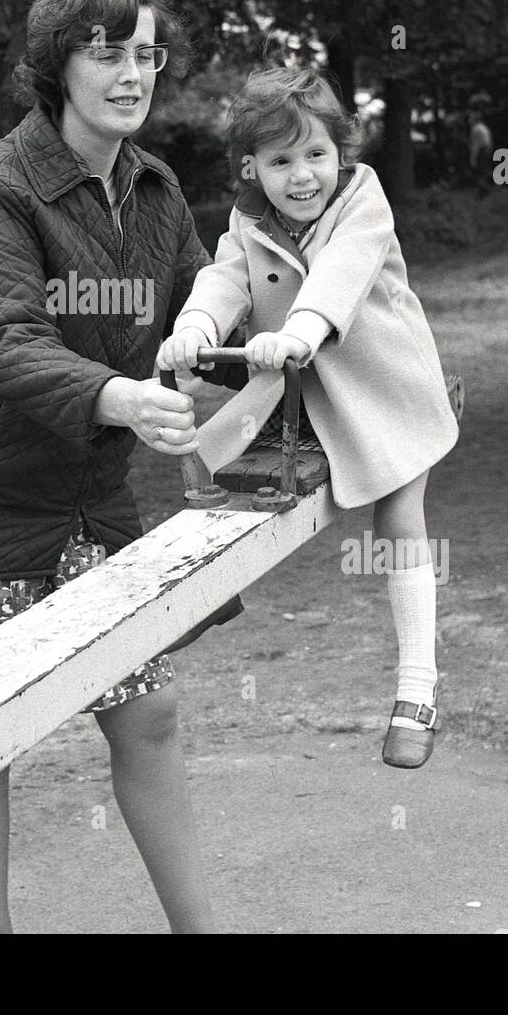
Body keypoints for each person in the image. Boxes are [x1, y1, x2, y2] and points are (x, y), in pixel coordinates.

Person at [0, 0, 219, 933]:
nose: (130, 73)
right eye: (105, 52)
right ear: (55, 66)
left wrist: (280, 331)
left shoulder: (154, 188)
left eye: (144, 53)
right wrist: (124, 398)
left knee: (146, 713)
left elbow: (206, 301)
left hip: (87, 503)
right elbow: (7, 343)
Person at [158, 67, 459, 769]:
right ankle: (211, 591)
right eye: (281, 160)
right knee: (229, 478)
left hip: (385, 387)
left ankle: (417, 686)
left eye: (316, 155)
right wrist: (197, 325)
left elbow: (342, 274)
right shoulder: (247, 223)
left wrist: (298, 330)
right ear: (251, 168)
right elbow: (223, 278)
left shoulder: (364, 201)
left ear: (341, 155)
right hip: (300, 394)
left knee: (398, 513)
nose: (302, 176)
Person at [468, 114, 494, 200]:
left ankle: (482, 193)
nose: (469, 121)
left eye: (470, 119)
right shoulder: (484, 127)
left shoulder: (475, 129)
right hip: (487, 150)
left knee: (480, 173)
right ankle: (486, 190)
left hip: (480, 151)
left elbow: (476, 145)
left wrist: (473, 158)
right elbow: (489, 142)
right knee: (485, 171)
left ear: (474, 120)